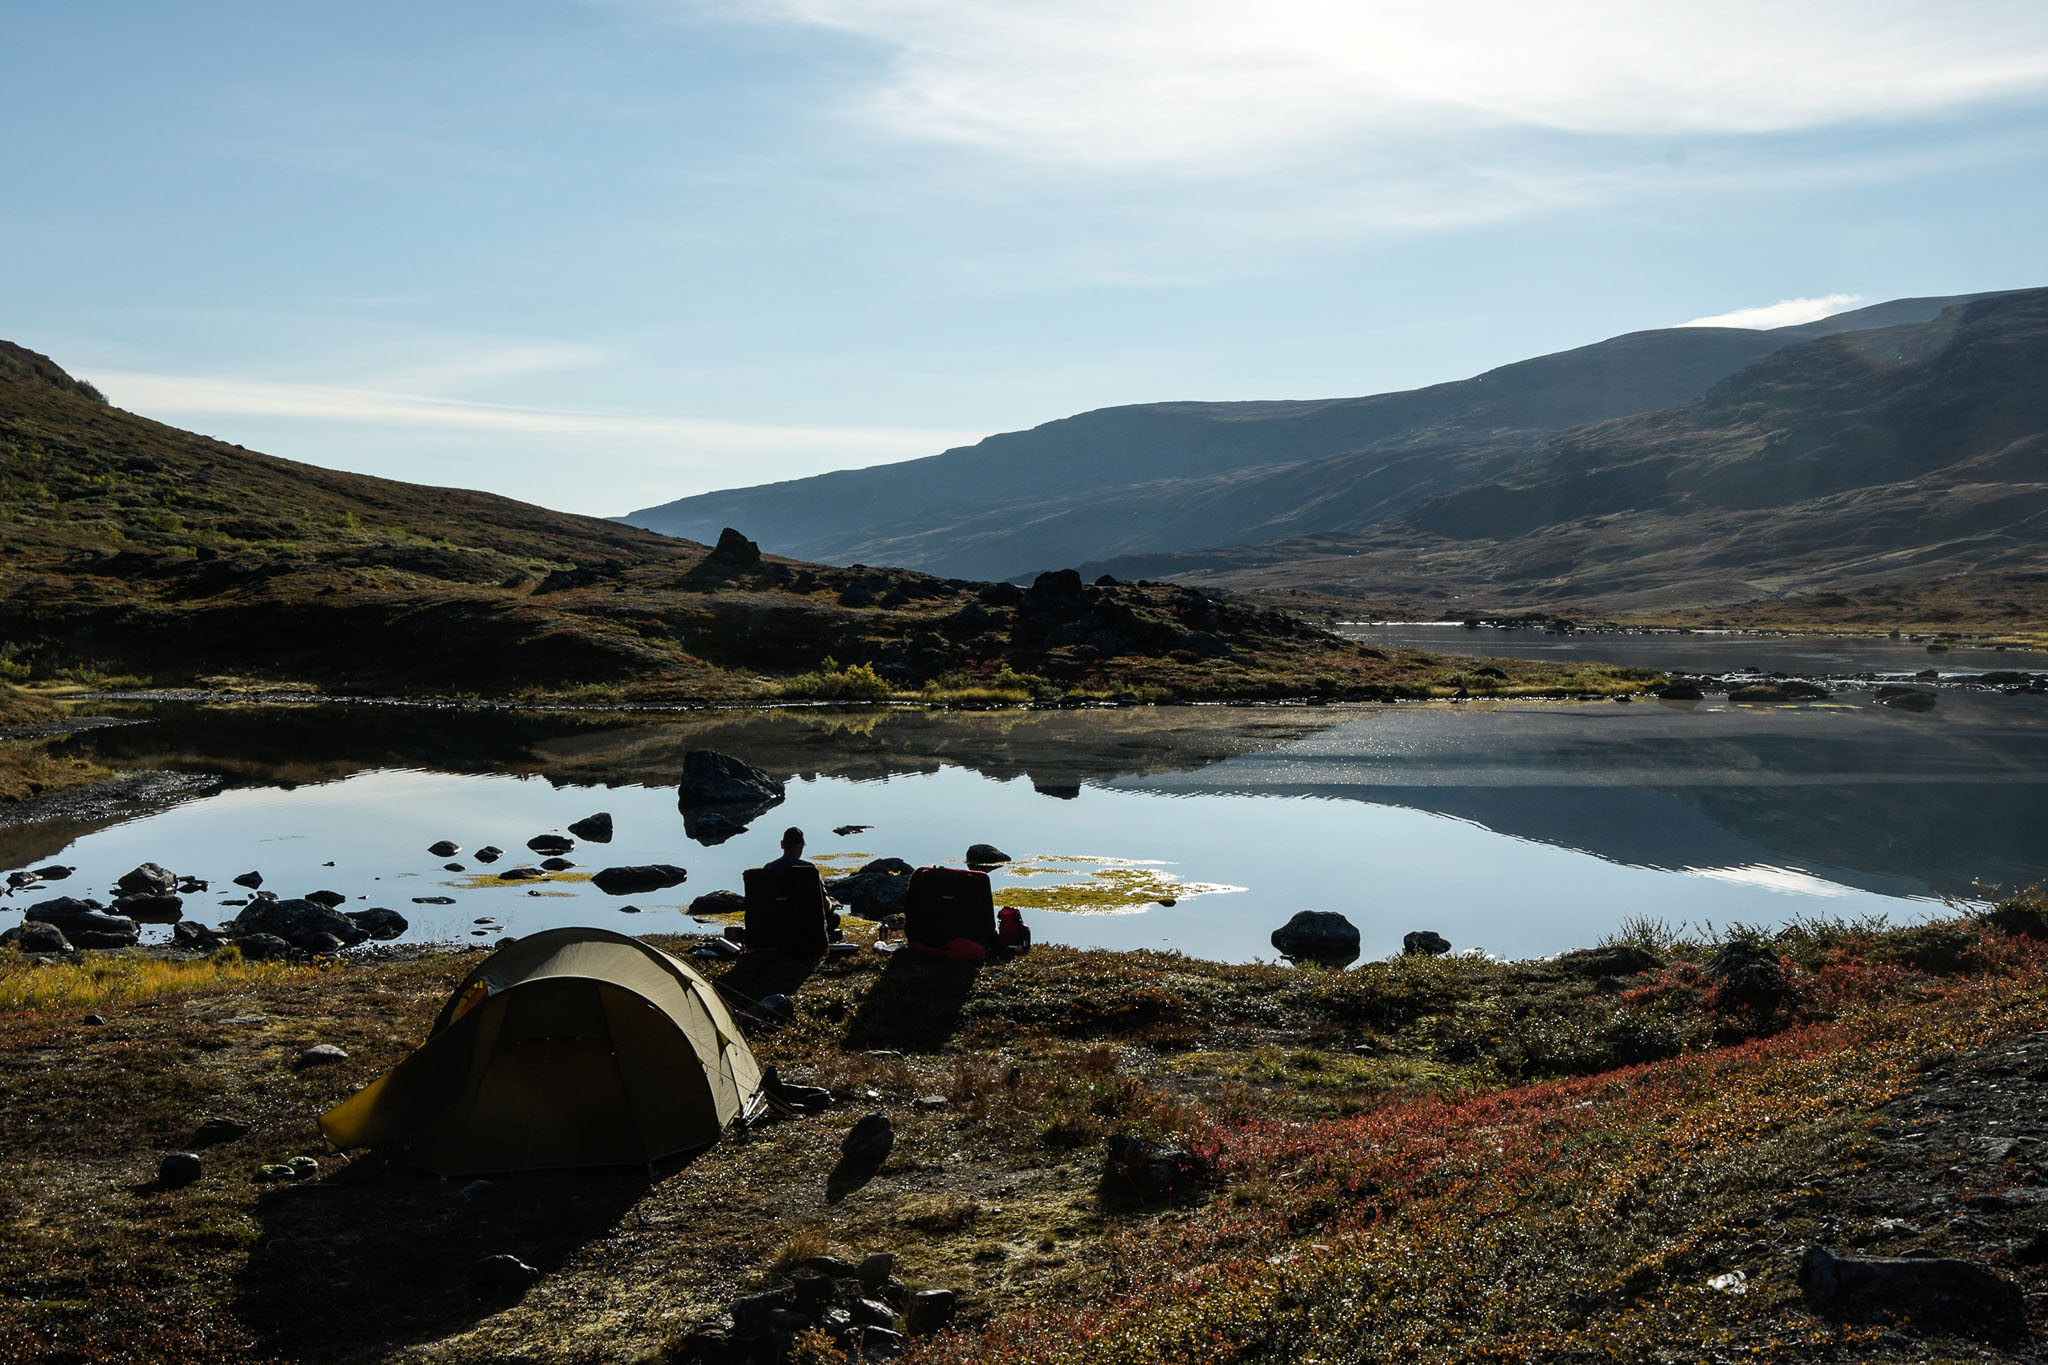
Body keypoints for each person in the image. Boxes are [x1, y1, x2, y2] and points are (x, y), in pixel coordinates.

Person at [743, 827, 836, 955]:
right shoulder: (809, 870)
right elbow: (824, 905)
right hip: (805, 932)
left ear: (782, 845)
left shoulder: (768, 869)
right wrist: (832, 906)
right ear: (802, 845)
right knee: (833, 918)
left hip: (776, 930)